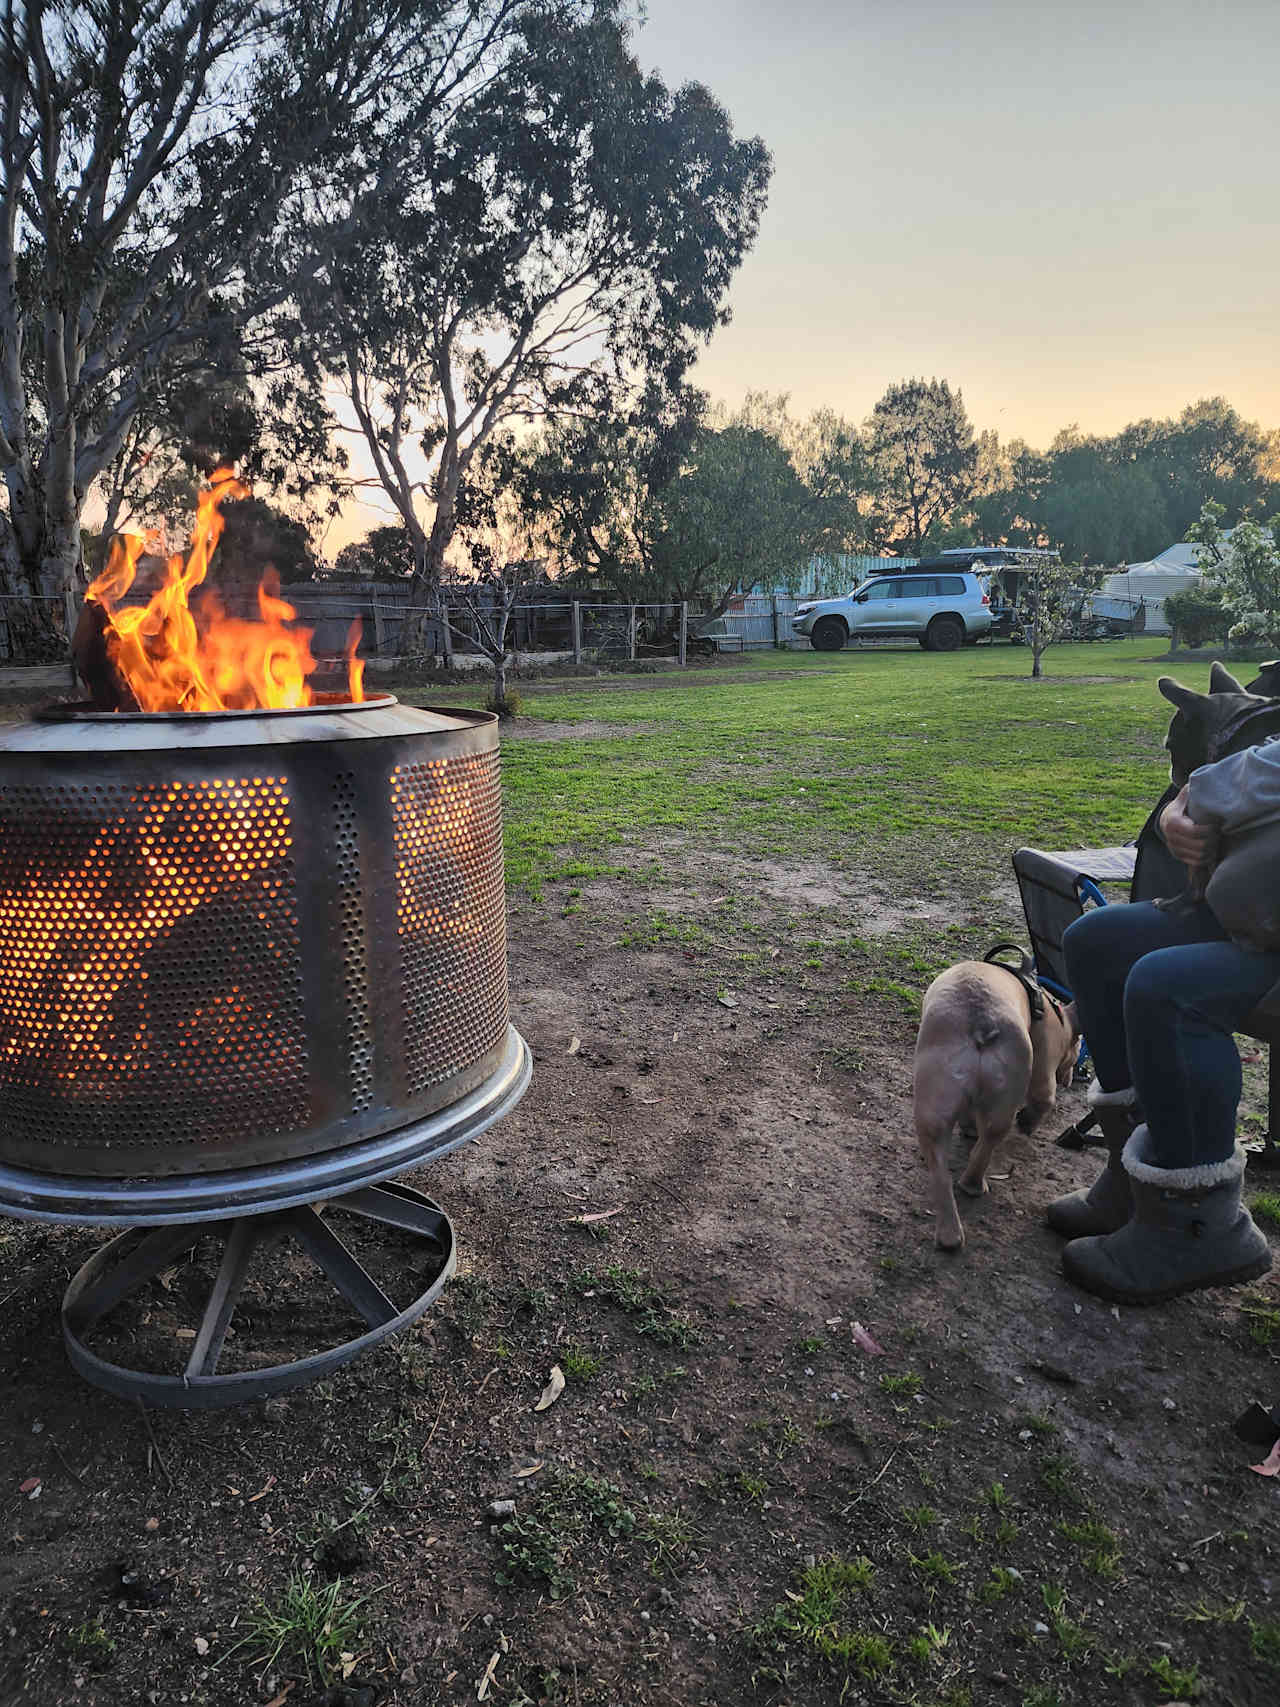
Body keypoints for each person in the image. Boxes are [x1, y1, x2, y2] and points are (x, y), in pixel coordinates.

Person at [1048, 761, 1280, 1304]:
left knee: (1167, 985)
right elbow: (1217, 776)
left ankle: (1199, 1226)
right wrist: (1178, 812)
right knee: (1097, 941)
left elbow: (1244, 774)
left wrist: (1207, 788)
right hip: (1258, 905)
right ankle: (1137, 1183)